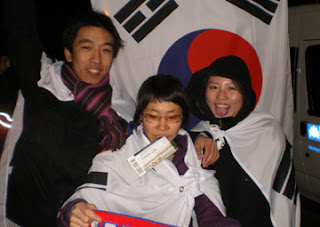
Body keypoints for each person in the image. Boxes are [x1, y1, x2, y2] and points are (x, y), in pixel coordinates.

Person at [0, 0, 135, 226]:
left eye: (106, 50)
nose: (96, 59)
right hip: (26, 217)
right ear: (68, 53)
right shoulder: (43, 82)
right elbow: (20, 28)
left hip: (84, 218)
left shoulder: (123, 110)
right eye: (86, 47)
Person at [57, 74, 241, 227]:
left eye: (172, 117)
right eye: (153, 117)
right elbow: (81, 201)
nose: (162, 127)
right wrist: (75, 210)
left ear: (182, 119)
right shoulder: (118, 153)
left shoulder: (191, 156)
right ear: (140, 117)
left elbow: (208, 212)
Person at [186, 55, 300, 227]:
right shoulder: (196, 134)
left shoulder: (267, 131)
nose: (221, 96)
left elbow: (281, 196)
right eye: (214, 87)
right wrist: (196, 137)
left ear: (244, 94)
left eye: (231, 88)